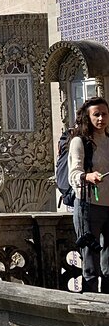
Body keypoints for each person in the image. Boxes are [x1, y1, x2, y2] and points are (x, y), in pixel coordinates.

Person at [69, 96, 109, 293]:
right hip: (88, 208)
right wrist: (88, 176)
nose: (101, 118)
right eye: (96, 115)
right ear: (88, 117)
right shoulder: (80, 142)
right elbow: (73, 175)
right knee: (91, 265)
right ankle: (91, 309)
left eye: (104, 114)